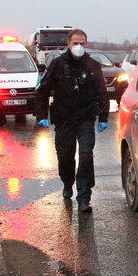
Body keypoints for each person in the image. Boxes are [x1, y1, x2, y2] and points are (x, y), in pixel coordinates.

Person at [35, 28, 108, 213]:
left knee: (85, 156)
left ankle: (84, 197)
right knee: (65, 156)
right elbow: (42, 90)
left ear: (87, 44)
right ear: (68, 44)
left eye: (82, 43)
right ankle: (67, 182)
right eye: (75, 43)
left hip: (85, 119)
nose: (78, 46)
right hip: (64, 119)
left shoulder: (93, 65)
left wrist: (103, 117)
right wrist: (42, 115)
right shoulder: (58, 64)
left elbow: (102, 93)